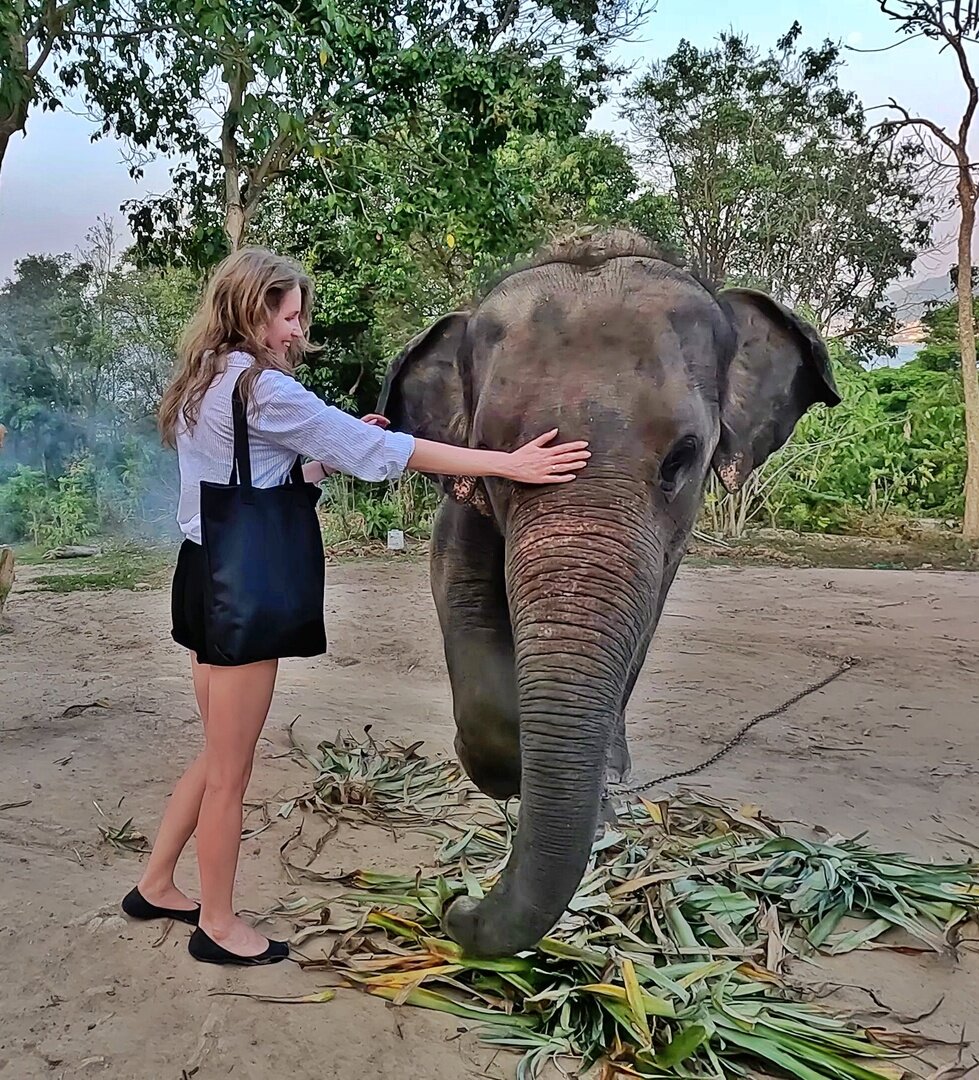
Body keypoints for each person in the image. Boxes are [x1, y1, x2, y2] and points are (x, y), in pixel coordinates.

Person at [121, 247, 590, 966]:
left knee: (216, 751)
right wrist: (508, 464)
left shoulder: (206, 378)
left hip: (201, 571)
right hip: (242, 587)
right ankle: (217, 923)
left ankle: (156, 883)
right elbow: (401, 452)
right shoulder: (265, 391)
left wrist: (329, 455)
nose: (297, 329)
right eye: (288, 314)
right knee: (231, 771)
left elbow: (254, 475)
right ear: (252, 309)